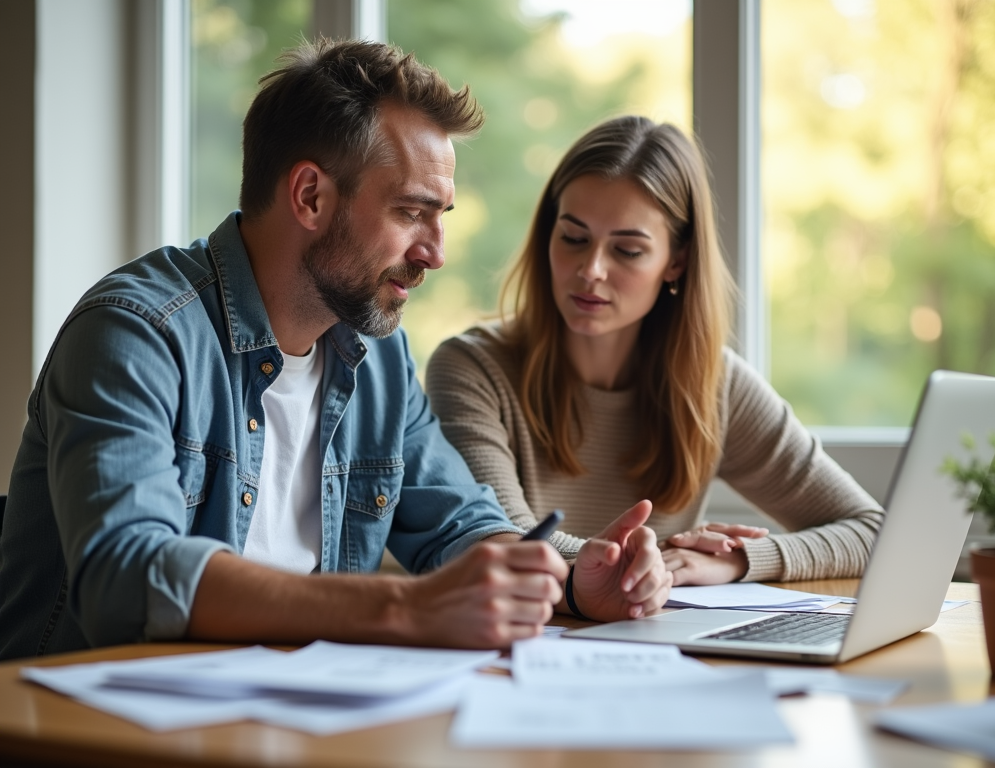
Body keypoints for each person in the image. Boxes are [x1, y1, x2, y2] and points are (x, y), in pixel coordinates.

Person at [0, 41, 671, 661]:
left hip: (295, 717)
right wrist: (405, 606)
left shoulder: (375, 356)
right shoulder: (136, 332)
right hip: (97, 732)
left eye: (442, 217)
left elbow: (461, 526)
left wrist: (571, 585)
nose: (435, 253)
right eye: (411, 213)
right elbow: (128, 576)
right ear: (311, 197)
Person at [426, 116, 884, 587]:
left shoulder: (715, 385)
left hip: (658, 650)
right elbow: (507, 542)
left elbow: (872, 531)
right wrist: (661, 559)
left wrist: (737, 560)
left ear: (676, 262)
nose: (591, 270)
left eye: (627, 250)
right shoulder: (471, 369)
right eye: (574, 238)